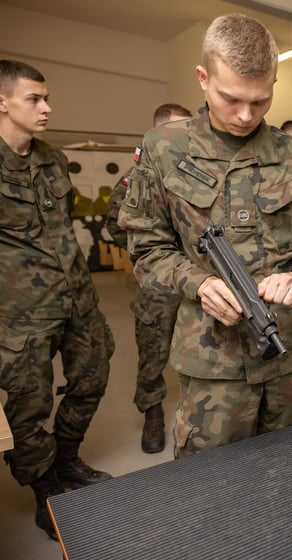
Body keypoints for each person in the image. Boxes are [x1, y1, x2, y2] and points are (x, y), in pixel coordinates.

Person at [118, 14, 292, 459]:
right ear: (202, 78)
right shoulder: (163, 148)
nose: (245, 115)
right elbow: (145, 248)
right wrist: (198, 282)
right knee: (213, 489)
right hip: (211, 363)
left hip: (290, 357)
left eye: (261, 100)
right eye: (230, 98)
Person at [0, 59, 114, 539]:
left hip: (77, 297)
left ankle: (67, 458)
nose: (46, 108)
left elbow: (61, 222)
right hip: (20, 313)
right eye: (34, 99)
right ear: (2, 103)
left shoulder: (50, 158)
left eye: (46, 98)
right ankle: (44, 489)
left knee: (93, 373)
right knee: (28, 406)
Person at [105, 103, 192, 454]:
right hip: (158, 287)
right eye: (176, 130)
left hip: (198, 283)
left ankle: (198, 413)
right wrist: (156, 247)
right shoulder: (134, 178)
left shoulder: (197, 173)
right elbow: (115, 226)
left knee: (203, 350)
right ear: (155, 134)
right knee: (153, 355)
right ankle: (152, 413)